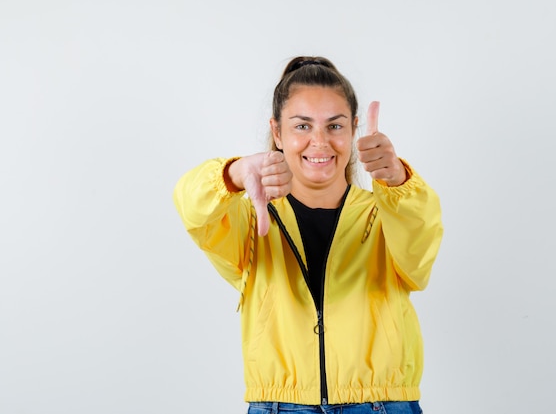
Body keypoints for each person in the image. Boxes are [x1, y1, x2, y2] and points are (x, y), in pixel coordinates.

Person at [173, 56, 443, 414]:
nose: (320, 142)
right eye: (302, 126)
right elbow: (190, 207)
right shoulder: (250, 219)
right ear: (277, 133)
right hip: (280, 405)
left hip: (380, 403)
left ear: (354, 130)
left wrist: (398, 182)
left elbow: (419, 258)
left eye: (335, 126)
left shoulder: (387, 212)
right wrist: (234, 174)